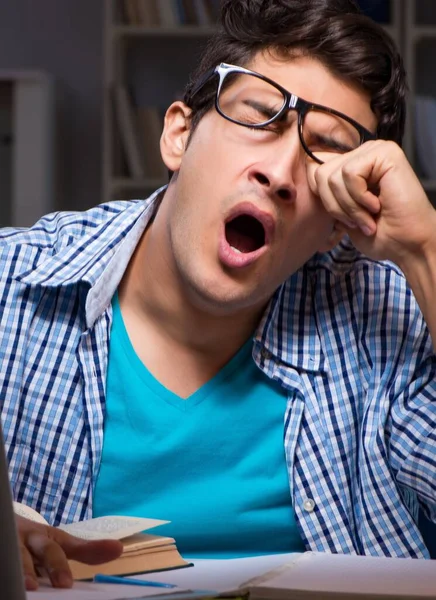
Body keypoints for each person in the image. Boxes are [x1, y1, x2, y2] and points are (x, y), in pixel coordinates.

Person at [3, 0, 436, 591]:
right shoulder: (14, 282)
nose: (280, 174)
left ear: (340, 224)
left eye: (325, 153)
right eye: (259, 115)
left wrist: (426, 248)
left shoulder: (387, 319)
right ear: (179, 134)